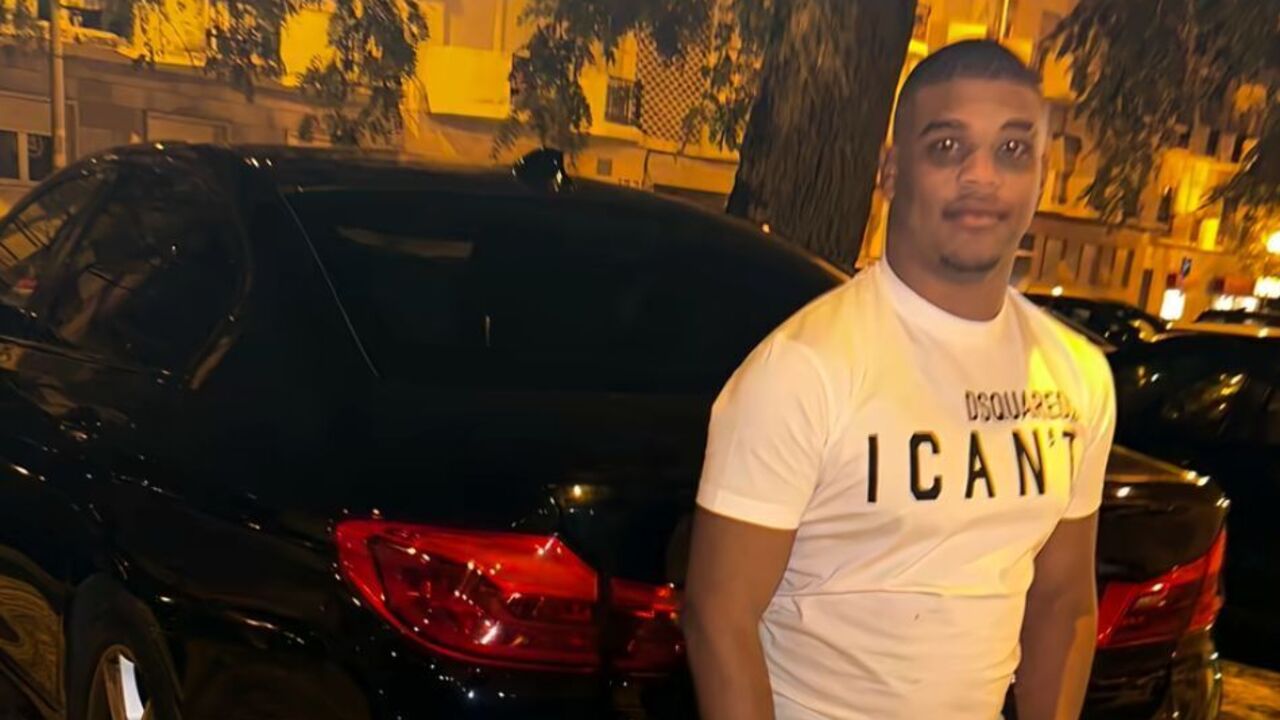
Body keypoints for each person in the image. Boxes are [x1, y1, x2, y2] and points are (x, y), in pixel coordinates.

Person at [684, 40, 1115, 720]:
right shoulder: (802, 368)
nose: (981, 176)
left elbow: (1063, 600)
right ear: (890, 171)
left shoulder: (1078, 376)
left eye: (1012, 150)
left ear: (1042, 175)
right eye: (947, 146)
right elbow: (718, 614)